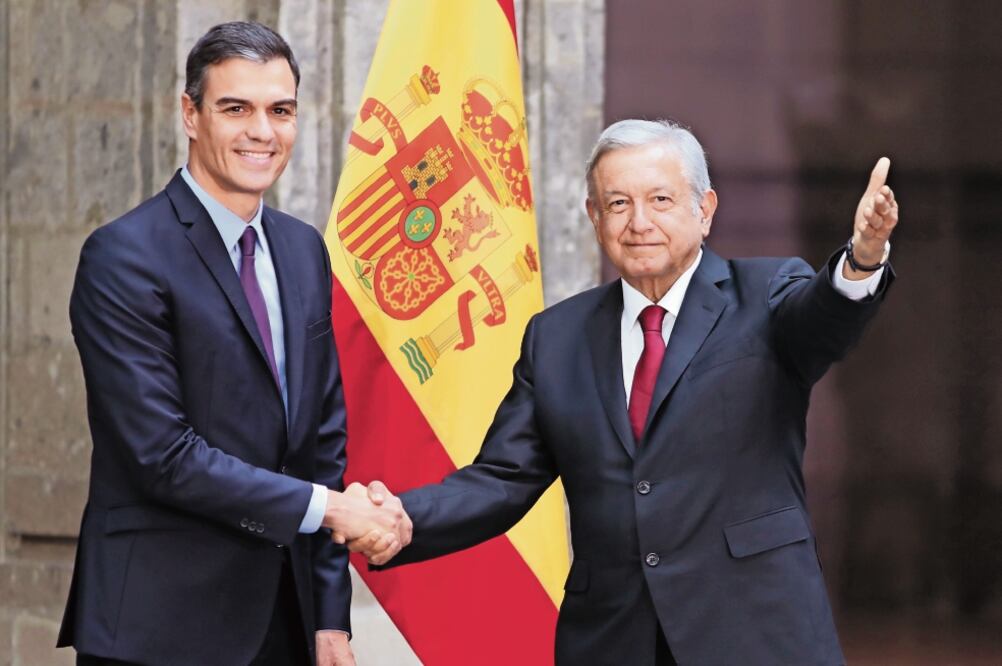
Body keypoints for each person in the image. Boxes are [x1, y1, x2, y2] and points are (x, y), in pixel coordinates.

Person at [355, 119, 899, 665]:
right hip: (614, 638)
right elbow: (503, 478)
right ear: (594, 217)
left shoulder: (766, 294)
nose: (639, 222)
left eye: (660, 199)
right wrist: (403, 517)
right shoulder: (558, 337)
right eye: (617, 204)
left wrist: (862, 258)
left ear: (704, 209)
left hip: (752, 629)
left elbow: (823, 321)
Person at [57, 21, 409, 666]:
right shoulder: (123, 256)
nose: (262, 131)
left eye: (280, 110)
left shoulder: (304, 250)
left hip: (285, 620)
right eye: (235, 108)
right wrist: (333, 510)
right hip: (159, 628)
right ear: (190, 115)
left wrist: (331, 619)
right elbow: (161, 454)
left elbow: (322, 440)